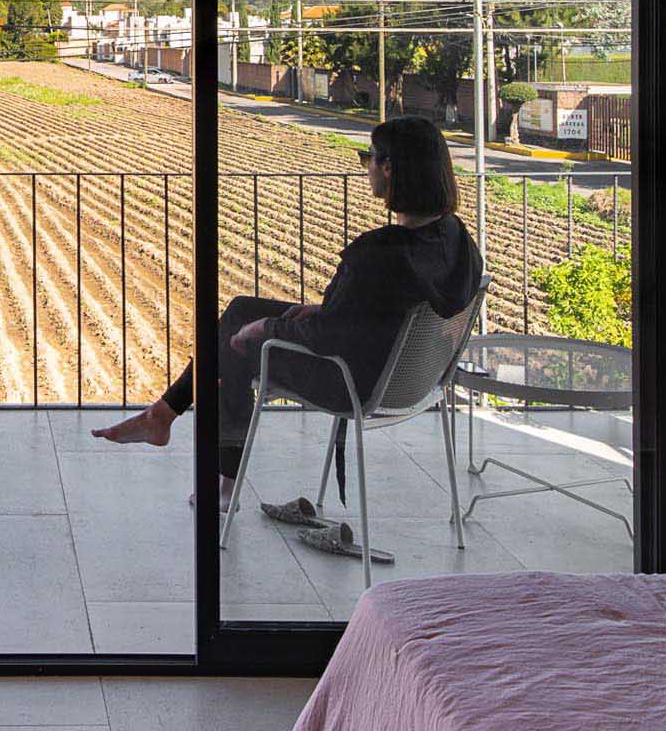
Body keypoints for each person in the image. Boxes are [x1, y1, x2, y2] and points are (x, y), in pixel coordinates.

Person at [92, 115, 484, 512]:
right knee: (241, 309)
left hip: (351, 379)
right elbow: (374, 311)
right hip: (408, 379)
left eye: (369, 157)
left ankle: (218, 479)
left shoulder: (379, 254)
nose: (366, 167)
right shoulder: (455, 240)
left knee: (236, 345)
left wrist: (267, 328)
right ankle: (164, 414)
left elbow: (328, 336)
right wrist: (316, 310)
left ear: (389, 168)